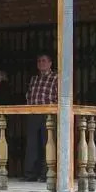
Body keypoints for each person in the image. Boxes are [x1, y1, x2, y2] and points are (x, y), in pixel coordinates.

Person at [24, 52, 58, 182]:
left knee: (47, 144)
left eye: (44, 61)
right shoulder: (34, 79)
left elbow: (59, 96)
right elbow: (29, 95)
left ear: (50, 63)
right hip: (33, 114)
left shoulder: (56, 78)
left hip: (48, 115)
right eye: (39, 61)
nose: (41, 63)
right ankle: (30, 174)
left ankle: (46, 174)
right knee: (32, 145)